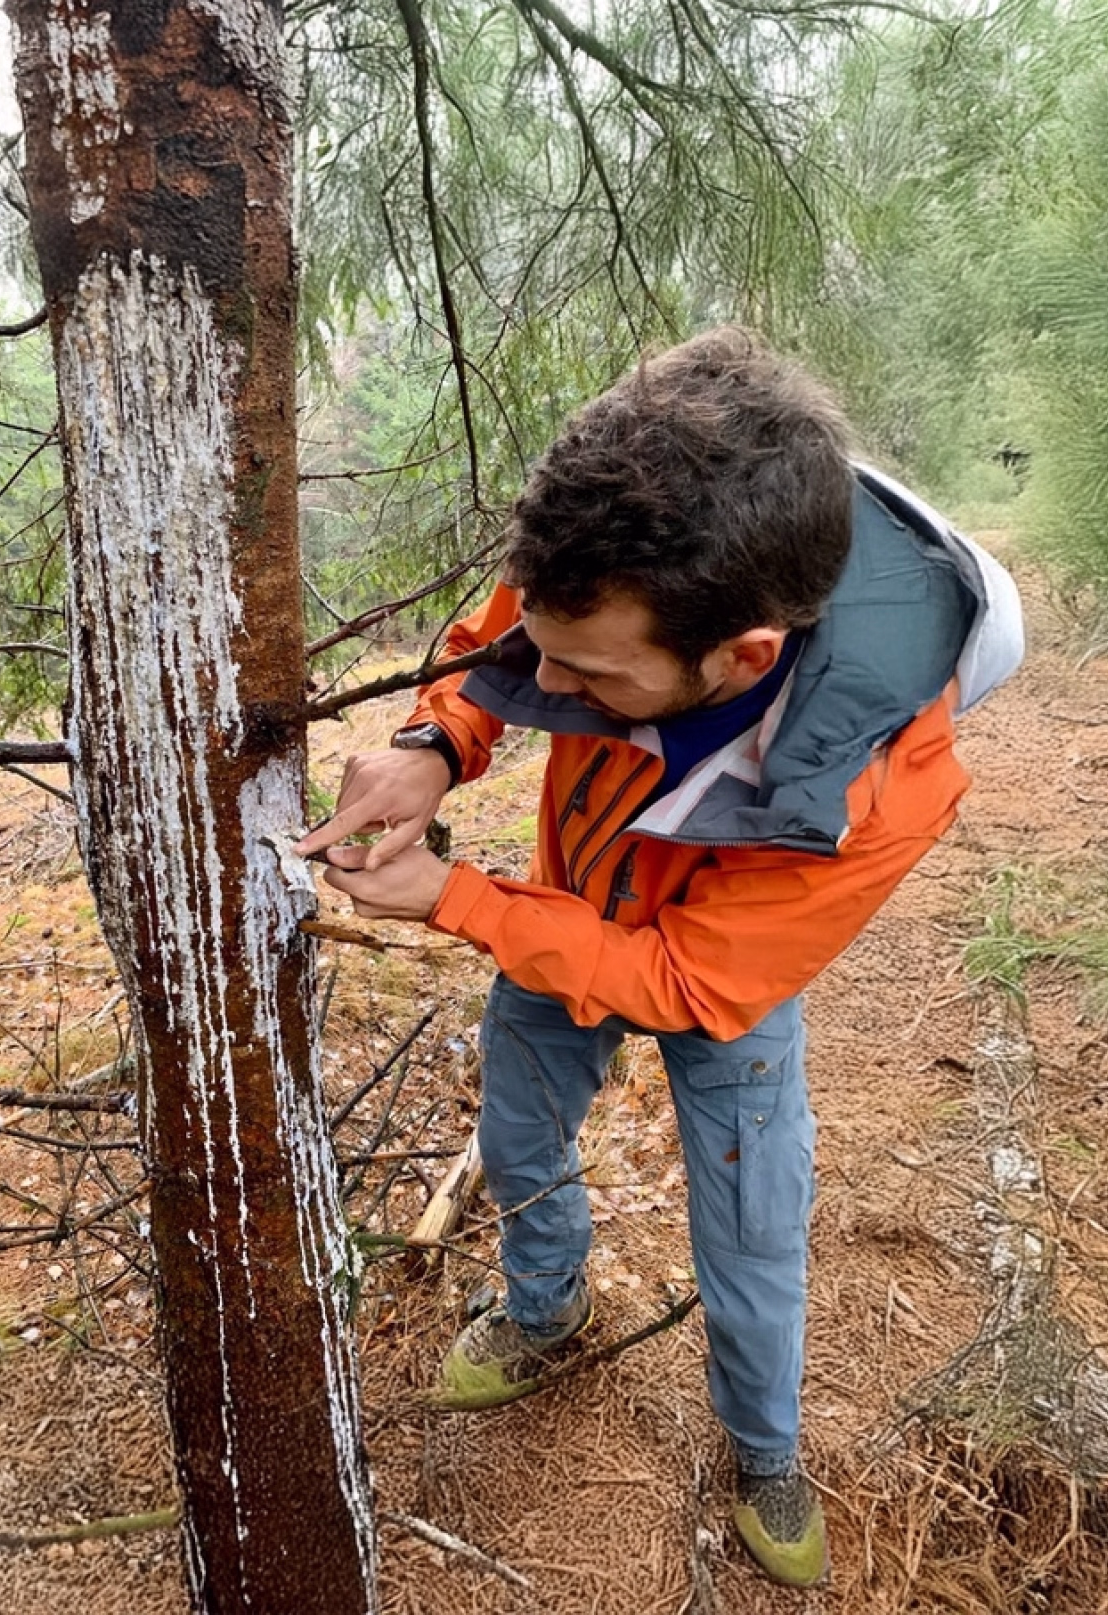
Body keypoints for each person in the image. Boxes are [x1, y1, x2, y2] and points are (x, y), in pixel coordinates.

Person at [294, 326, 1024, 1587]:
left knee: (749, 1227)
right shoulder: (624, 567)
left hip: (720, 986)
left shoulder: (883, 783)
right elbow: (511, 636)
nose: (548, 675)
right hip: (563, 912)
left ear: (742, 655)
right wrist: (437, 738)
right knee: (519, 1140)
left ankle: (763, 1448)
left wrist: (457, 898)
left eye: (590, 673)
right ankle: (547, 1311)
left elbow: (694, 980)